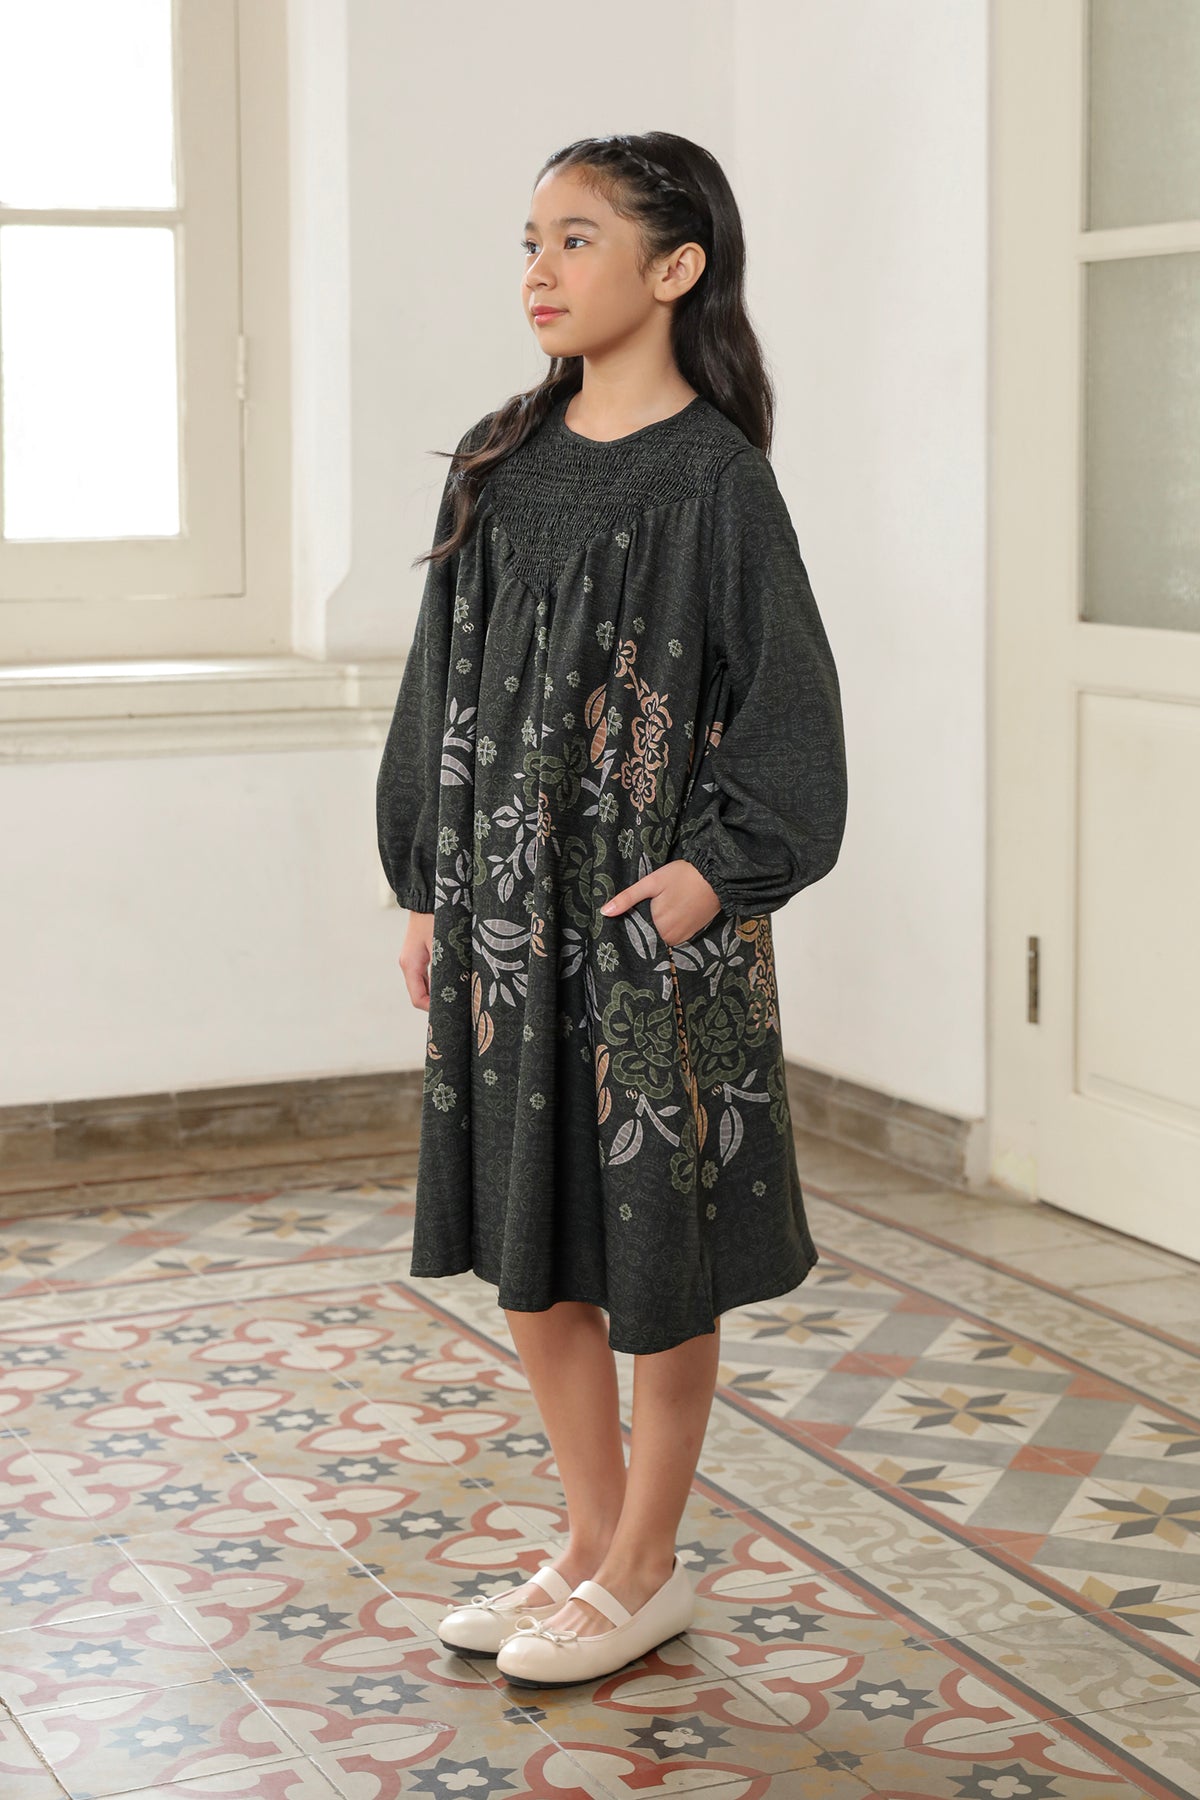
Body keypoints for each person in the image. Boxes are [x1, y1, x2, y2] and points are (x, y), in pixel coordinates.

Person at [375, 130, 848, 1688]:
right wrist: (428, 883)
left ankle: (647, 1562)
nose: (539, 268)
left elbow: (791, 714)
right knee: (535, 1236)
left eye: (576, 237)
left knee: (656, 1244)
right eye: (530, 239)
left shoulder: (719, 481)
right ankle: (586, 1543)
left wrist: (711, 878)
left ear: (676, 265)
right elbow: (438, 682)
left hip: (656, 939)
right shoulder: (495, 457)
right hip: (507, 929)